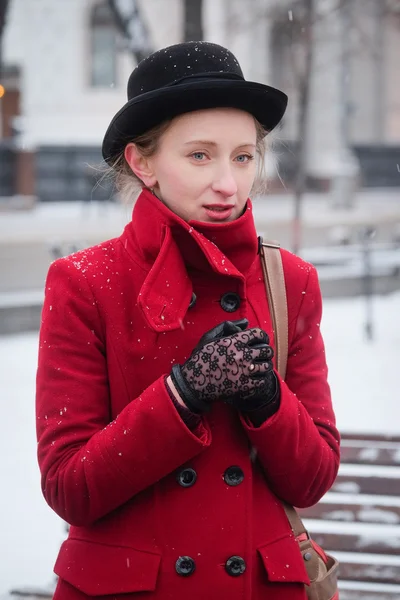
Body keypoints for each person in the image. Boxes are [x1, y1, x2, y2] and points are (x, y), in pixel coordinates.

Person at [36, 41, 340, 600]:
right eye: (200, 155)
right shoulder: (84, 282)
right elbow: (69, 486)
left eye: (243, 156)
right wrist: (182, 393)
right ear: (142, 161)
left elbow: (313, 478)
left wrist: (268, 399)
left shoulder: (289, 281)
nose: (228, 182)